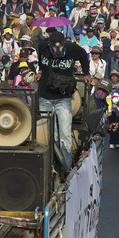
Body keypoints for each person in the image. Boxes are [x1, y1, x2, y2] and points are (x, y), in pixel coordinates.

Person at [37, 31, 91, 169]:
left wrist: (86, 73)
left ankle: (66, 167)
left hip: (63, 98)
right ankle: (51, 166)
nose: (56, 53)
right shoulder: (42, 46)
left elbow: (84, 56)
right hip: (45, 96)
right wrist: (40, 70)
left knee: (65, 135)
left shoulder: (72, 48)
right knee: (49, 134)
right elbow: (40, 57)